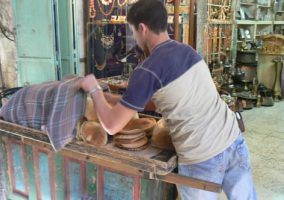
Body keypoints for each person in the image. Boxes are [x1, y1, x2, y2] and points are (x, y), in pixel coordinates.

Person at [79, 0, 257, 199]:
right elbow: (173, 100)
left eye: (133, 31)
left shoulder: (148, 68)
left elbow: (111, 126)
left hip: (202, 157)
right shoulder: (187, 51)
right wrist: (113, 99)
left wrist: (94, 89)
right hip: (233, 140)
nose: (134, 38)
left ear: (142, 28)